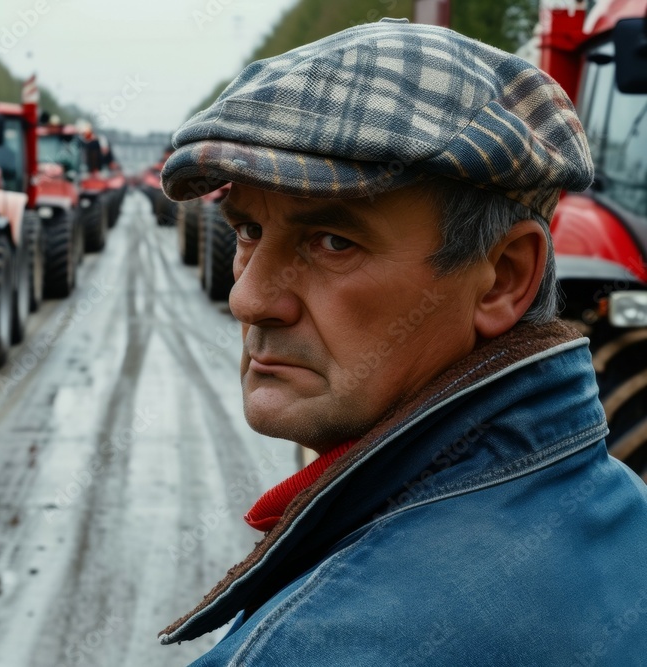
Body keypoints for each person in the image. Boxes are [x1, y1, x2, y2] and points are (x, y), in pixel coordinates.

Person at [159, 18, 647, 665]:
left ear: (503, 278)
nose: (247, 298)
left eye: (333, 241)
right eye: (248, 228)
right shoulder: (626, 519)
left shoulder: (307, 648)